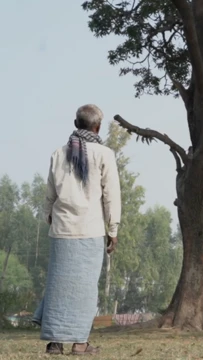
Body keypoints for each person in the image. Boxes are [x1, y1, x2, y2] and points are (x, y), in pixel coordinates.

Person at [32, 104, 121, 356]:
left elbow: (50, 193)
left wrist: (48, 215)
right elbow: (111, 196)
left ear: (75, 123)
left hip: (61, 229)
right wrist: (113, 229)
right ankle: (80, 343)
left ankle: (55, 343)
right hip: (90, 230)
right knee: (85, 289)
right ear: (98, 126)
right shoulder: (104, 154)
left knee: (58, 285)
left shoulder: (58, 153)